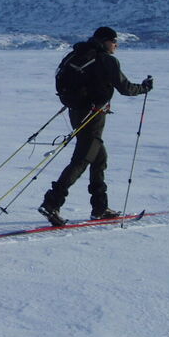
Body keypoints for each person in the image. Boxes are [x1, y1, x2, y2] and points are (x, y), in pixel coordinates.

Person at [39, 26, 153, 226]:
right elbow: (125, 88)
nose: (116, 45)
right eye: (114, 41)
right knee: (82, 160)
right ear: (105, 41)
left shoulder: (77, 54)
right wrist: (143, 88)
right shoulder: (106, 60)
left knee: (99, 158)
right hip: (93, 114)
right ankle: (51, 203)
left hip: (77, 111)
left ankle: (100, 207)